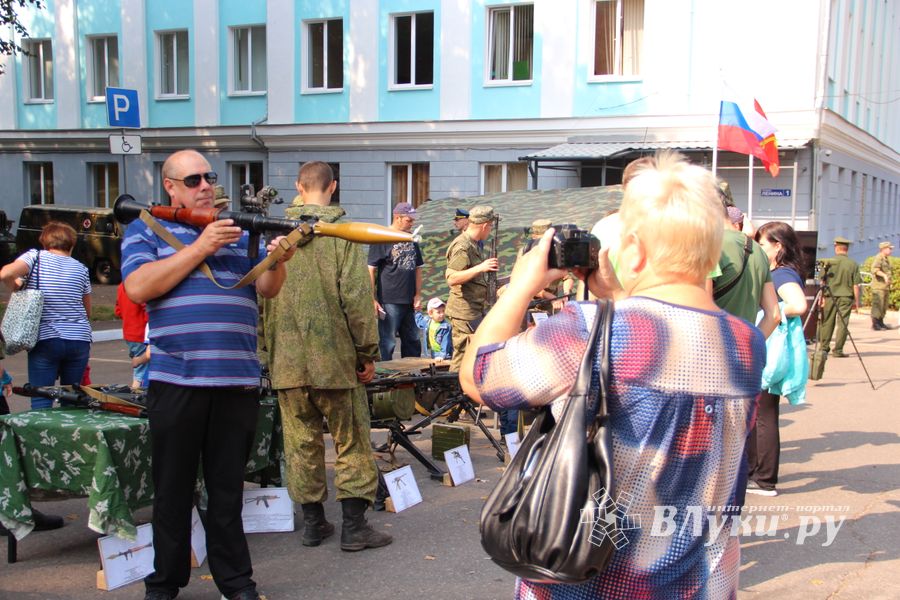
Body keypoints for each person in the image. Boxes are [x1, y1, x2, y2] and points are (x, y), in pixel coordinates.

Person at [460, 151, 765, 598]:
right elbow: (669, 348)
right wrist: (620, 296)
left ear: (636, 249)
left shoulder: (587, 328)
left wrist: (522, 286)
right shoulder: (746, 342)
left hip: (594, 585)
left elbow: (478, 378)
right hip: (702, 584)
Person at [121, 149, 296, 600]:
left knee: (226, 494)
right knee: (172, 492)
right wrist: (202, 246)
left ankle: (236, 583)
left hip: (235, 382)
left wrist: (278, 260)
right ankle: (165, 582)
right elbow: (139, 287)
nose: (205, 186)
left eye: (209, 177)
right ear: (171, 187)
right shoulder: (146, 228)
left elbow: (267, 289)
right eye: (193, 179)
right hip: (176, 381)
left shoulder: (236, 232)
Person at [262, 161, 391, 552]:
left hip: (287, 362)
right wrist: (367, 352)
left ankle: (314, 525)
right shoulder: (343, 234)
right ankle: (354, 527)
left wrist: (270, 353)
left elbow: (263, 299)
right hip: (335, 361)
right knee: (350, 441)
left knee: (301, 444)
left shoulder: (275, 235)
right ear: (332, 187)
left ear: (299, 187)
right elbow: (356, 299)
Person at [747, 221, 810, 497]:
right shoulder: (783, 271)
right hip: (774, 348)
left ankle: (763, 479)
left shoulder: (782, 275)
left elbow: (798, 305)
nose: (760, 249)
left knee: (764, 415)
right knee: (764, 413)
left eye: (763, 244)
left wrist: (770, 310)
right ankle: (759, 475)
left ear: (778, 246)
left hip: (771, 348)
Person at [0, 221, 92, 408]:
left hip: (47, 339)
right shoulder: (81, 269)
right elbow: (87, 311)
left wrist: (16, 287)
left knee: (41, 398)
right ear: (72, 244)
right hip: (79, 340)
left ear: (44, 243)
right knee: (72, 401)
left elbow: (5, 273)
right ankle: (71, 436)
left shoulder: (35, 257)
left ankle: (43, 437)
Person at [712, 187, 780, 338]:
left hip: (708, 352)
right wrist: (749, 347)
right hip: (744, 353)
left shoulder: (710, 246)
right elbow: (774, 315)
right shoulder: (758, 250)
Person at [444, 205, 498, 373]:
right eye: (490, 226)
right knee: (462, 356)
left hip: (474, 311)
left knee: (473, 355)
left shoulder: (473, 245)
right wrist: (481, 267)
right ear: (484, 225)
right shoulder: (463, 246)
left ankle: (466, 394)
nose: (490, 230)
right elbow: (452, 278)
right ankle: (455, 394)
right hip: (463, 312)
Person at [368, 202, 424, 360]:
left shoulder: (411, 238)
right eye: (409, 220)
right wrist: (372, 299)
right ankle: (384, 377)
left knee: (413, 340)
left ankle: (413, 376)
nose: (412, 223)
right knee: (388, 342)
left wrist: (418, 295)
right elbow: (371, 269)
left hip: (410, 301)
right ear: (398, 218)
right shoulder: (382, 237)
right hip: (389, 300)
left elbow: (419, 267)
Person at [817, 237, 861, 357]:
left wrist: (821, 298)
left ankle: (824, 348)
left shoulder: (828, 262)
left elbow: (822, 282)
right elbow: (855, 285)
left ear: (836, 248)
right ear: (847, 249)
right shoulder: (853, 264)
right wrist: (857, 303)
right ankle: (838, 350)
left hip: (829, 296)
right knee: (843, 323)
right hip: (846, 297)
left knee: (827, 321)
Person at [114, 282, 149, 389]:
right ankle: (137, 394)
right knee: (142, 370)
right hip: (141, 333)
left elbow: (118, 311)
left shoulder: (121, 286)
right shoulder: (140, 286)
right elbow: (148, 310)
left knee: (139, 367)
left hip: (129, 332)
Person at [869, 241, 893, 330]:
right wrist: (884, 276)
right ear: (883, 249)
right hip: (878, 287)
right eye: (889, 248)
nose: (891, 250)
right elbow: (874, 269)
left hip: (885, 287)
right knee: (878, 305)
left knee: (884, 305)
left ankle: (881, 322)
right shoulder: (879, 258)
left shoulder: (886, 258)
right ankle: (875, 324)